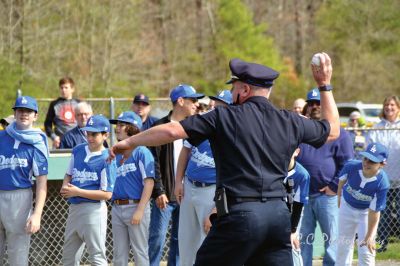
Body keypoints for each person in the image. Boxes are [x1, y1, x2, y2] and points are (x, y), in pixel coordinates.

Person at [108, 53, 340, 265]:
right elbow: (332, 131)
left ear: (245, 90)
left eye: (235, 87)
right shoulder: (290, 120)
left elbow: (171, 131)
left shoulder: (224, 116)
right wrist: (324, 85)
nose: (232, 93)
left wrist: (130, 142)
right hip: (278, 218)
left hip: (240, 216)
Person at [296, 88, 354, 266]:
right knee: (302, 240)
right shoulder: (301, 131)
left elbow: (348, 163)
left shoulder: (339, 134)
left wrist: (334, 186)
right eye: (311, 103)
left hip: (327, 196)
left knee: (332, 241)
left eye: (318, 103)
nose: (314, 106)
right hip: (301, 195)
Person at [148, 84, 204, 266]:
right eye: (193, 100)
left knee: (181, 241)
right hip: (165, 196)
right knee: (157, 239)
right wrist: (158, 191)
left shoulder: (195, 128)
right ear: (180, 101)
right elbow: (153, 162)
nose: (196, 104)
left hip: (187, 195)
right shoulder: (160, 127)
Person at [174, 90, 232, 266]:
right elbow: (185, 150)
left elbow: (233, 177)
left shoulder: (232, 134)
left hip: (212, 191)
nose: (214, 104)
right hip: (190, 187)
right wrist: (178, 181)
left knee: (206, 244)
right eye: (215, 101)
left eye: (219, 102)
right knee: (185, 242)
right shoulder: (204, 124)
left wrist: (216, 210)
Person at [60, 114, 116, 266]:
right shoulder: (78, 150)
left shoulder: (107, 158)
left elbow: (107, 194)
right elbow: (68, 174)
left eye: (94, 134)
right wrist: (66, 185)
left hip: (94, 210)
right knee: (69, 257)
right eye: (88, 133)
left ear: (105, 135)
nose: (90, 137)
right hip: (74, 209)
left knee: (97, 256)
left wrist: (78, 192)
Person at [0, 96, 48, 265]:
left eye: (29, 111)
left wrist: (37, 214)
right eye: (20, 110)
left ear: (35, 116)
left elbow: (42, 183)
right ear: (15, 113)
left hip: (19, 198)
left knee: (18, 255)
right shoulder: (1, 137)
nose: (24, 114)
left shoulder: (38, 143)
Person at [109, 111, 155, 266]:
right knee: (118, 254)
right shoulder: (115, 155)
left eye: (121, 125)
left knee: (139, 252)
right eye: (117, 125)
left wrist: (140, 210)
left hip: (136, 205)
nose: (117, 128)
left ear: (133, 128)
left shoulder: (141, 152)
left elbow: (149, 183)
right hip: (117, 207)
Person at [336, 143, 390, 266]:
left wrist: (369, 236)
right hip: (347, 206)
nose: (366, 163)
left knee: (366, 249)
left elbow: (374, 211)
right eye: (365, 158)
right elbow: (341, 180)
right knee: (343, 245)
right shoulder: (351, 166)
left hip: (366, 213)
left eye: (372, 161)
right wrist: (339, 196)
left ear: (382, 164)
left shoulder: (382, 183)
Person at [366, 95, 400, 253]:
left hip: (399, 178)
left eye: (392, 105)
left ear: (398, 107)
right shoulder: (377, 127)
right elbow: (369, 148)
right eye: (386, 105)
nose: (389, 108)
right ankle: (381, 244)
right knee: (382, 214)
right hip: (382, 179)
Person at [285, 148, 310, 266]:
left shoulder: (302, 174)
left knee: (292, 244)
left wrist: (293, 231)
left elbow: (298, 205)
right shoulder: (271, 169)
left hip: (292, 212)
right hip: (272, 211)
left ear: (297, 152)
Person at [44, 77, 80, 149]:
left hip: (77, 140)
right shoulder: (54, 104)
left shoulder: (79, 104)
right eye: (61, 88)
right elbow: (47, 124)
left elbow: (86, 122)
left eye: (66, 87)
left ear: (72, 89)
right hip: (60, 141)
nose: (63, 90)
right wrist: (54, 137)